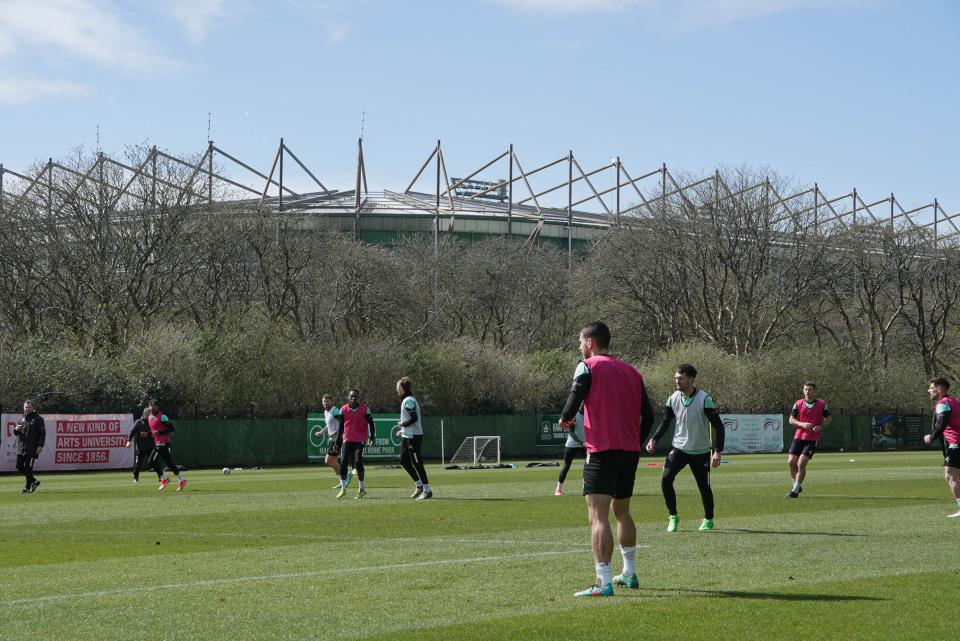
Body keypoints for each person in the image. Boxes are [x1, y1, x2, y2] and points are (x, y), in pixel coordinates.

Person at [558, 321, 653, 597]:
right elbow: (647, 415)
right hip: (629, 452)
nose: (579, 346)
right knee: (621, 511)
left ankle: (603, 582)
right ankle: (630, 572)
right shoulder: (632, 372)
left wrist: (565, 418)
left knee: (597, 515)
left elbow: (573, 402)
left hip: (601, 450)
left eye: (580, 342)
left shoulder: (587, 366)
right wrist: (635, 441)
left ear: (590, 343)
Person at [645, 364, 725, 532]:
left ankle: (708, 519)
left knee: (704, 487)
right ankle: (673, 516)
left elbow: (719, 427)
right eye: (676, 378)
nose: (677, 381)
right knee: (666, 479)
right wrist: (653, 439)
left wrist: (717, 451)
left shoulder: (704, 399)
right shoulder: (673, 398)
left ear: (691, 379)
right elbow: (666, 422)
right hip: (679, 448)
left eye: (680, 378)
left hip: (701, 451)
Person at [785, 381, 832, 498]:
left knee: (801, 463)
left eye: (810, 389)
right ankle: (796, 485)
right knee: (791, 462)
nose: (807, 391)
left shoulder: (822, 404)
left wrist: (821, 426)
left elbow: (828, 418)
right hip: (799, 436)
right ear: (803, 390)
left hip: (812, 438)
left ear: (814, 391)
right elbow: (791, 420)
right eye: (806, 389)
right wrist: (802, 424)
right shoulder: (798, 403)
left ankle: (794, 491)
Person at [923, 377, 960, 518]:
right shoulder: (953, 401)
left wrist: (931, 436)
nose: (929, 390)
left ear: (939, 389)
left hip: (956, 444)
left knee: (950, 475)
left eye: (931, 388)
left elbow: (941, 423)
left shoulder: (943, 403)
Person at [394, 377, 432, 500]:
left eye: (398, 387)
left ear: (403, 388)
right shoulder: (406, 399)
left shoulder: (408, 400)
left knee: (417, 463)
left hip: (414, 437)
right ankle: (419, 485)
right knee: (403, 461)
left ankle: (427, 490)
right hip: (407, 435)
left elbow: (414, 418)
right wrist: (403, 431)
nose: (396, 389)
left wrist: (402, 424)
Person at [336, 389, 375, 499]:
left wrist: (372, 437)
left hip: (360, 439)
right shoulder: (343, 409)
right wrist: (337, 443)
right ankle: (343, 489)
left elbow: (371, 424)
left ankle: (362, 489)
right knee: (343, 462)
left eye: (355, 396)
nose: (353, 398)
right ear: (348, 397)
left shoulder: (365, 409)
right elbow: (340, 429)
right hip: (347, 439)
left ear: (358, 398)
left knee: (358, 461)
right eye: (351, 396)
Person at [148, 399, 187, 492]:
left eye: (153, 405)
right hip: (158, 443)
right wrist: (148, 434)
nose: (151, 407)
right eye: (150, 405)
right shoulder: (149, 417)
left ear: (157, 407)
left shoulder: (162, 417)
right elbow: (154, 432)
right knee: (170, 463)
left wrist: (160, 432)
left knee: (151, 462)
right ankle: (182, 480)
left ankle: (164, 478)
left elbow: (171, 428)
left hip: (162, 444)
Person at [315, 394, 352, 489]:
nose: (325, 403)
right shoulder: (326, 412)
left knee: (328, 461)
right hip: (332, 440)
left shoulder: (335, 411)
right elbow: (328, 425)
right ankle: (342, 482)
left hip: (337, 440)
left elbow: (343, 423)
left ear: (331, 401)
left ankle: (346, 474)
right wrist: (322, 432)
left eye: (327, 401)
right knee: (334, 463)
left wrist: (335, 433)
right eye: (324, 401)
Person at [13, 400, 45, 494]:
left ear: (32, 407)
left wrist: (40, 446)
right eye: (26, 407)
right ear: (23, 407)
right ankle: (34, 481)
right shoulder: (21, 418)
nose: (27, 409)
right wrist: (15, 430)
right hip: (21, 446)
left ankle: (27, 487)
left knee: (28, 467)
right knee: (18, 466)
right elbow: (16, 433)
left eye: (29, 407)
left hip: (32, 447)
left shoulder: (38, 419)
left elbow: (42, 434)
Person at [127, 407, 162, 484]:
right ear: (144, 413)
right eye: (148, 413)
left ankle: (161, 477)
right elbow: (132, 432)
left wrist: (152, 435)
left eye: (151, 413)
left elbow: (156, 433)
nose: (150, 414)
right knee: (138, 464)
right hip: (140, 448)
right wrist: (128, 441)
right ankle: (135, 478)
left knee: (155, 462)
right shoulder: (138, 422)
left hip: (151, 447)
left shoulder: (152, 422)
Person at [555, 410, 585, 496]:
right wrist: (581, 442)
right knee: (566, 466)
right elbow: (571, 433)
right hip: (572, 444)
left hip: (585, 444)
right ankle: (558, 489)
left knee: (588, 466)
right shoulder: (575, 415)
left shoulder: (590, 413)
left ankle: (585, 488)